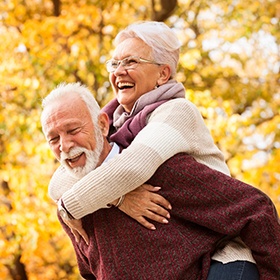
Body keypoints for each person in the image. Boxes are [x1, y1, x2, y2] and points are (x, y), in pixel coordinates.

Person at [47, 21, 263, 278]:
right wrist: (119, 199)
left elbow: (132, 168)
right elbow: (60, 180)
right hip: (183, 252)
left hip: (220, 252)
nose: (119, 72)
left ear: (162, 74)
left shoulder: (177, 112)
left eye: (131, 62)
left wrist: (69, 207)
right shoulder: (115, 122)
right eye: (114, 64)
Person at [41, 82, 280, 279]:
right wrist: (118, 198)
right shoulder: (70, 208)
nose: (64, 146)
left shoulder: (162, 170)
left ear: (102, 125)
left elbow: (255, 209)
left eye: (73, 130)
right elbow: (92, 271)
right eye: (53, 139)